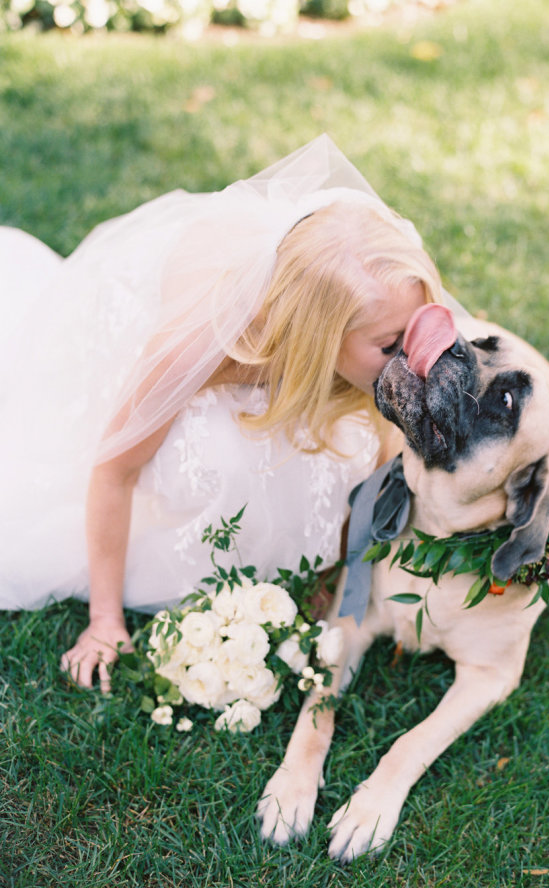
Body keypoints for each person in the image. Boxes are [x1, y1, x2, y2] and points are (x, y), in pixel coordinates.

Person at [0, 135, 471, 691]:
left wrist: (336, 566)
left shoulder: (384, 291)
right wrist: (105, 621)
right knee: (220, 450)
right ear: (321, 337)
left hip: (290, 346)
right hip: (160, 340)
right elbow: (114, 470)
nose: (413, 359)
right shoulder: (201, 346)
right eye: (390, 345)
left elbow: (381, 444)